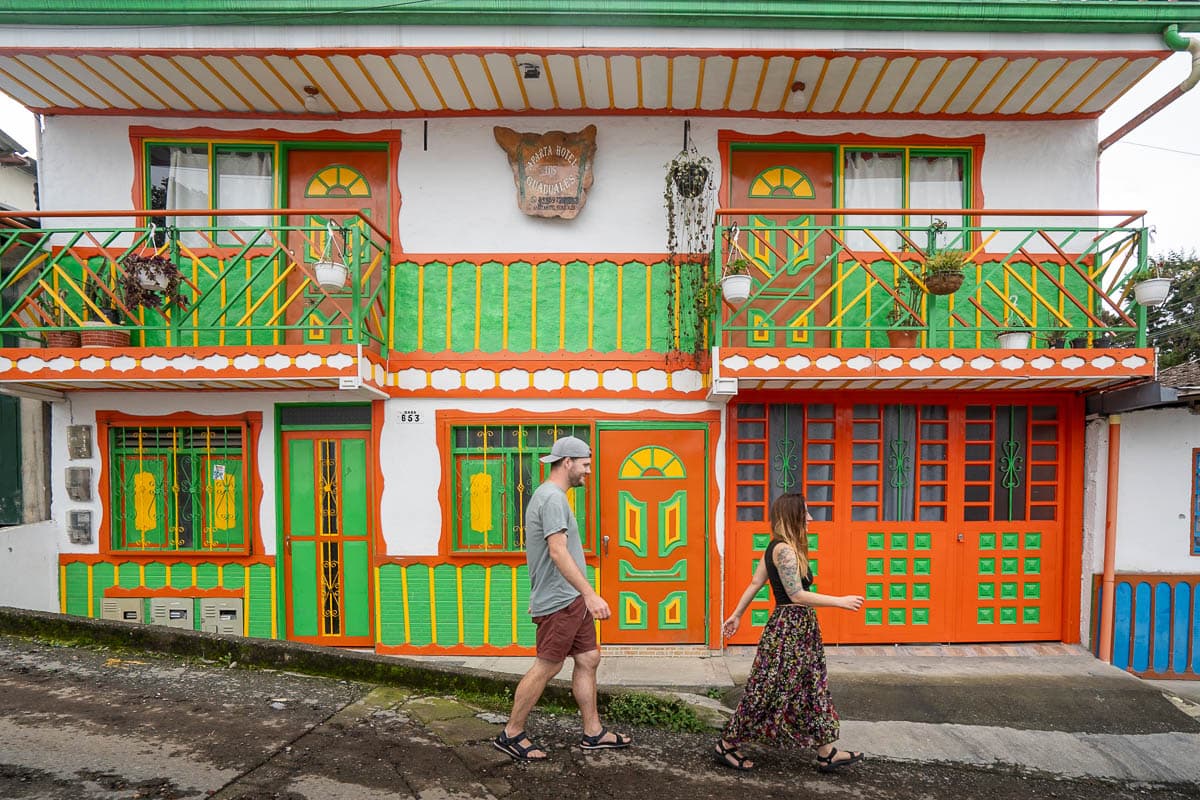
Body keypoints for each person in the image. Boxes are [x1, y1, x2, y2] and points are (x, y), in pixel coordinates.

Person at [493, 435, 632, 761]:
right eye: (584, 465)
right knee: (548, 665)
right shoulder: (553, 499)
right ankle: (511, 733)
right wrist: (590, 594)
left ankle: (593, 732)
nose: (587, 472)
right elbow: (556, 552)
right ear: (567, 462)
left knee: (588, 659)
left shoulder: (551, 496)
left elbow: (543, 553)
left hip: (569, 598)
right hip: (562, 600)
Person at [715, 492, 865, 773]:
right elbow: (796, 595)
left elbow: (754, 583)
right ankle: (726, 745)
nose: (810, 518)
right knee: (766, 690)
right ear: (792, 516)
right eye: (805, 513)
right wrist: (840, 601)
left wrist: (736, 615)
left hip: (800, 631)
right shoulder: (782, 549)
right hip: (789, 631)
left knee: (811, 689)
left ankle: (826, 753)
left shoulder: (782, 547)